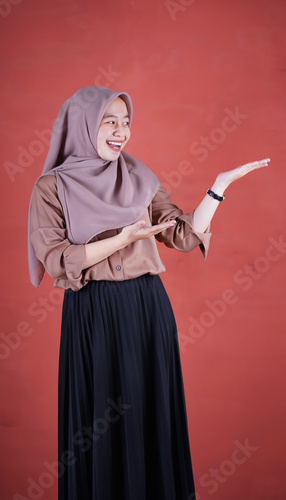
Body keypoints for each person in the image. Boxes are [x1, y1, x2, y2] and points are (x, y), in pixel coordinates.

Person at [28, 86, 269, 500]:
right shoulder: (51, 188)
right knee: (98, 422)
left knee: (149, 411)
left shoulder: (140, 177)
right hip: (94, 312)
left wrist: (218, 188)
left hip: (147, 307)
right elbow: (56, 258)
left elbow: (181, 235)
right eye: (110, 121)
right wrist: (122, 238)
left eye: (126, 122)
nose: (121, 132)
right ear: (85, 125)